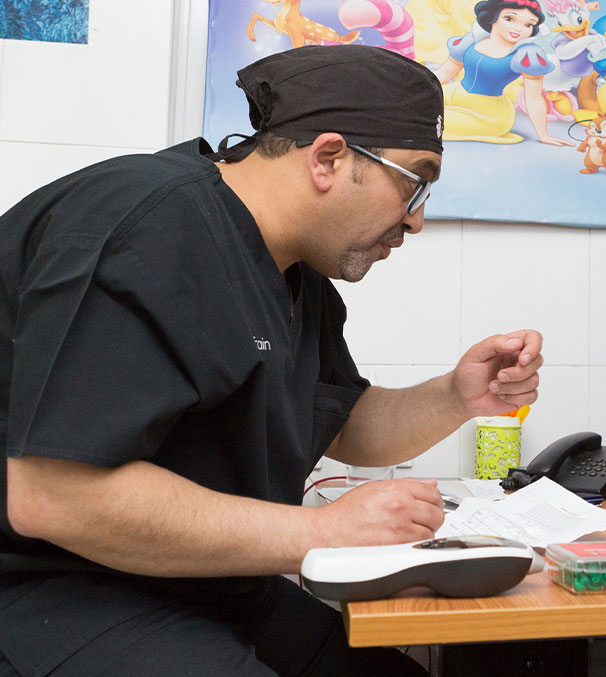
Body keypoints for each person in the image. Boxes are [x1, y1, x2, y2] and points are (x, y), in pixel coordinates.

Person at [0, 45, 544, 675]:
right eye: (416, 182)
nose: (417, 220)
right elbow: (56, 496)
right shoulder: (147, 227)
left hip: (203, 584)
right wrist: (325, 530)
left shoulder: (296, 273)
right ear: (329, 158)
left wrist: (457, 395)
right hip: (51, 591)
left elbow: (340, 419)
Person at [433, 0, 572, 146]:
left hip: (489, 113)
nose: (518, 29)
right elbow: (443, 74)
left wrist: (543, 135)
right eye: (509, 19)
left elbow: (534, 98)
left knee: (427, 116)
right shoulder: (470, 41)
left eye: (528, 25)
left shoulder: (526, 54)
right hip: (456, 93)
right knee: (415, 101)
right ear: (493, 17)